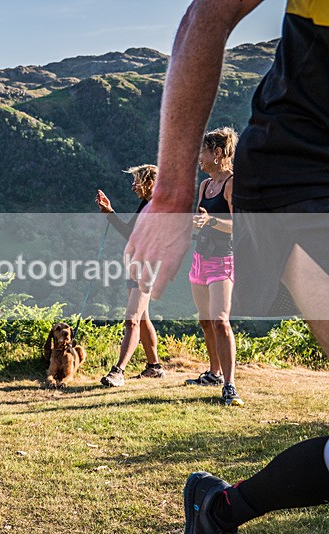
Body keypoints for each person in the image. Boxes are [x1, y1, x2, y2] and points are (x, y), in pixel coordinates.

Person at [124, 0, 329, 531]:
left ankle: (220, 510)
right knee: (211, 320)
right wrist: (171, 195)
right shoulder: (222, 182)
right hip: (305, 171)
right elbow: (206, 15)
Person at [186, 127, 243, 406]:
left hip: (223, 260)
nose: (199, 157)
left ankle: (230, 385)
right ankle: (214, 373)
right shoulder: (204, 186)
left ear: (217, 153)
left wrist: (211, 222)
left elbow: (239, 227)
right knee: (205, 320)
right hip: (201, 258)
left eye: (203, 152)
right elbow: (200, 217)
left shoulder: (232, 183)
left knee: (220, 320)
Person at [96, 165, 165, 387]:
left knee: (132, 319)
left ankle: (118, 372)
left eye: (137, 181)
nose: (133, 186)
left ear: (150, 183)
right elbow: (131, 234)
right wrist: (110, 214)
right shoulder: (147, 204)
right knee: (142, 318)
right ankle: (154, 367)